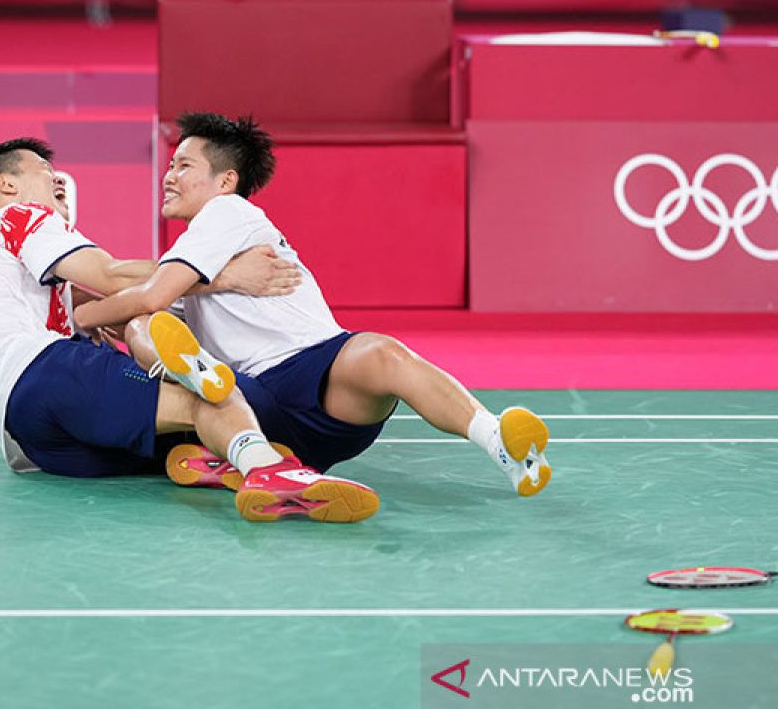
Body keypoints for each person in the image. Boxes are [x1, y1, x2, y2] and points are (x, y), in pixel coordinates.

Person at [73, 113, 552, 499]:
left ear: (226, 181)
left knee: (380, 353)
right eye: (171, 165)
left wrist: (81, 315)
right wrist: (219, 282)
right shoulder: (196, 255)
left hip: (312, 367)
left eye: (183, 166)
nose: (169, 176)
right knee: (147, 324)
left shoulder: (227, 212)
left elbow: (154, 291)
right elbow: (155, 295)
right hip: (261, 401)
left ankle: (502, 441)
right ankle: (244, 455)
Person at [0, 136, 379, 523]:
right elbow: (112, 275)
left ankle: (212, 460)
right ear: (7, 186)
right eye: (45, 171)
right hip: (44, 375)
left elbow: (98, 310)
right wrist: (224, 274)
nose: (59, 180)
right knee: (217, 394)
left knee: (169, 434)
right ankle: (270, 471)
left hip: (32, 442)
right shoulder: (20, 217)